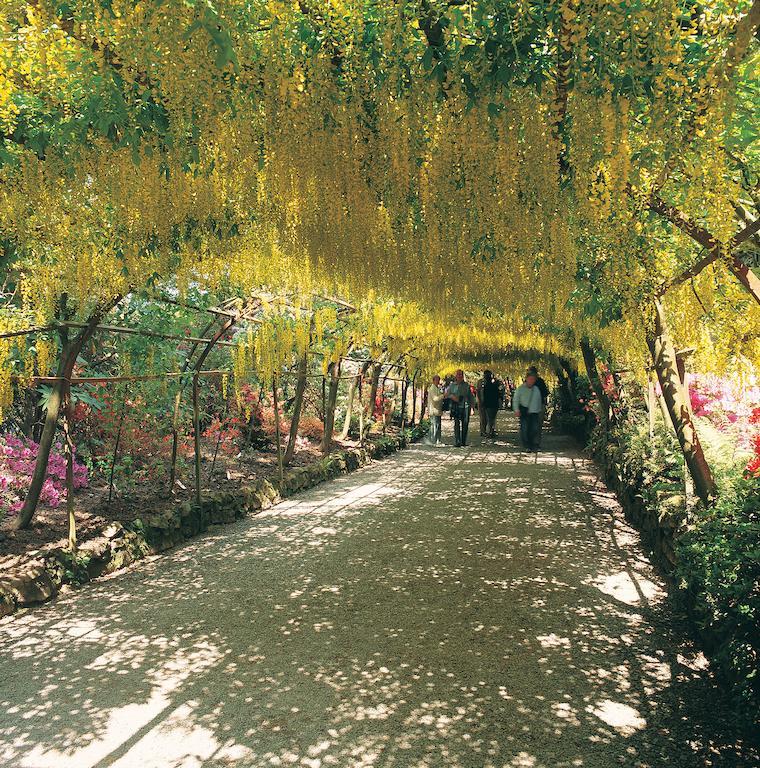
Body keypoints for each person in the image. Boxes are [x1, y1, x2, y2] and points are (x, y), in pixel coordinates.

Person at [513, 372, 542, 452]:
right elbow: (516, 400)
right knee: (525, 429)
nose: (532, 381)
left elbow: (539, 400)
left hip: (534, 412)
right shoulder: (520, 388)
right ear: (526, 379)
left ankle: (533, 444)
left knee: (534, 429)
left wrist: (539, 410)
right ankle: (527, 445)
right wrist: (516, 410)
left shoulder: (536, 389)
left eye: (533, 379)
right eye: (530, 379)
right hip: (524, 412)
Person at [445, 369, 473, 447]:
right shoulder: (452, 385)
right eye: (458, 374)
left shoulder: (466, 385)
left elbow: (470, 397)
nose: (460, 376)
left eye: (461, 374)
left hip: (465, 406)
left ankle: (463, 441)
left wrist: (472, 408)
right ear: (456, 376)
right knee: (456, 424)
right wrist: (452, 396)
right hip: (456, 407)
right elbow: (446, 394)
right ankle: (457, 441)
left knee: (465, 424)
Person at [527, 365, 549, 448]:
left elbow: (545, 394)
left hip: (538, 405)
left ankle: (536, 443)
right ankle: (531, 444)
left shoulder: (540, 381)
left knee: (538, 425)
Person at [480, 370, 500, 438]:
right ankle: (491, 431)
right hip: (494, 404)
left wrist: (483, 403)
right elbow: (498, 395)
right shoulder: (494, 385)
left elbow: (484, 396)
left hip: (489, 404)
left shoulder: (486, 386)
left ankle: (490, 432)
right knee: (492, 418)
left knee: (489, 418)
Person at [427, 375, 445, 445]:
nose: (438, 381)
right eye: (437, 380)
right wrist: (443, 396)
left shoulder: (437, 388)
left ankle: (437, 441)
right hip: (434, 410)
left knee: (438, 426)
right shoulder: (432, 388)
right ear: (433, 380)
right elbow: (435, 399)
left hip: (437, 410)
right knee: (434, 426)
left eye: (438, 380)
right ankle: (433, 441)